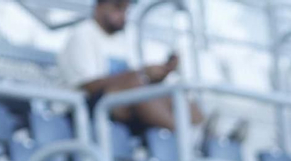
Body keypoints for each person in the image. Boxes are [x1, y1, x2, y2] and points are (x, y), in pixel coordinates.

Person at [57, 0, 200, 132]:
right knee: (136, 85)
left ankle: (199, 136)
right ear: (99, 6)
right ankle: (185, 139)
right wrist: (142, 74)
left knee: (171, 92)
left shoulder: (122, 40)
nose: (123, 14)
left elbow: (136, 78)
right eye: (117, 6)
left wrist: (159, 75)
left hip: (119, 105)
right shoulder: (82, 34)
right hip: (84, 109)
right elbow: (88, 86)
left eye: (126, 9)